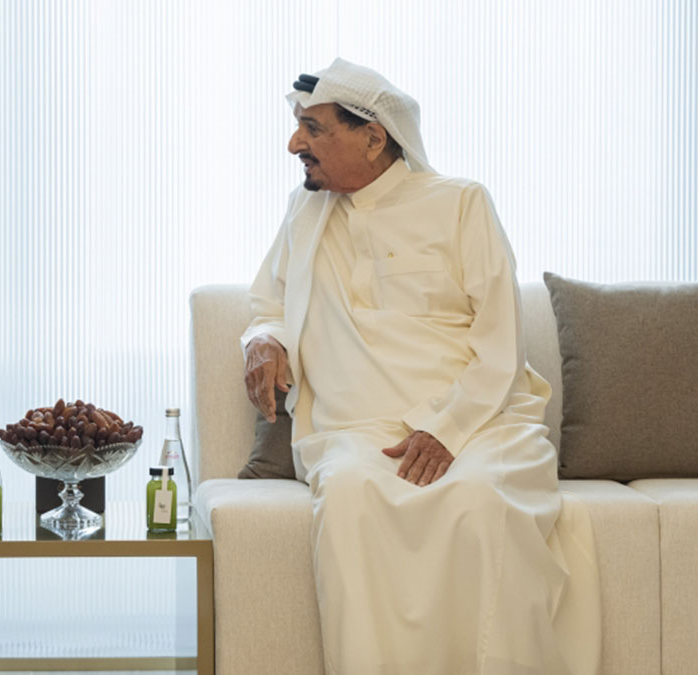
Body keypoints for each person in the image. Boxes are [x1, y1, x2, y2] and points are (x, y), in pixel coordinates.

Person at [241, 59, 597, 673]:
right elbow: (267, 304)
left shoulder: (460, 203)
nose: (294, 144)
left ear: (373, 137)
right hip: (354, 432)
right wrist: (263, 341)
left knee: (481, 501)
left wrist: (447, 429)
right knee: (348, 500)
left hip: (480, 424)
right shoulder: (304, 212)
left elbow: (501, 339)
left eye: (313, 129)